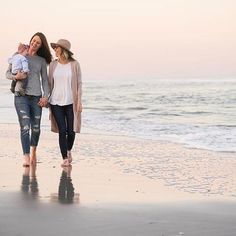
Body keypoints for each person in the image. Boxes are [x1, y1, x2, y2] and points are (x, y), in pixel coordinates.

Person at [6, 32, 52, 167]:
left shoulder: (41, 61)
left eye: (38, 42)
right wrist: (16, 77)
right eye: (34, 40)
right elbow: (7, 74)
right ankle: (25, 156)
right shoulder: (18, 54)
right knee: (25, 126)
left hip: (36, 97)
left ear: (41, 45)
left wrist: (45, 96)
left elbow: (45, 81)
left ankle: (33, 151)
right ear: (30, 40)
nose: (35, 43)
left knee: (36, 128)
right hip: (21, 96)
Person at [48, 39, 82, 167]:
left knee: (71, 131)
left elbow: (79, 84)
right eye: (55, 48)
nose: (55, 50)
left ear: (63, 50)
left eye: (57, 48)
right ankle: (64, 158)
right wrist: (46, 98)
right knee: (62, 130)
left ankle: (68, 150)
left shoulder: (74, 64)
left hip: (71, 102)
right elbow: (49, 83)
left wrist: (79, 102)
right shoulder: (52, 65)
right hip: (55, 102)